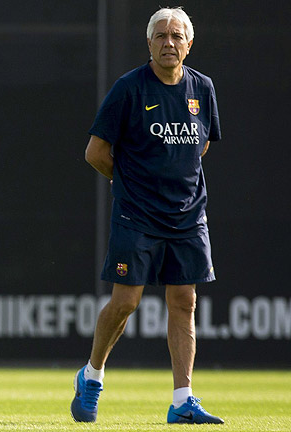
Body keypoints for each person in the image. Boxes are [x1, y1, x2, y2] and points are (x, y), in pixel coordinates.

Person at [71, 7, 223, 425]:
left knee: (184, 301)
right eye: (161, 36)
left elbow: (201, 144)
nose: (168, 43)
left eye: (177, 36)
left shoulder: (202, 88)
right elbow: (95, 152)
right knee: (126, 302)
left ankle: (182, 400)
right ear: (149, 43)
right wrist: (132, 184)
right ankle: (91, 375)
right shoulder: (129, 89)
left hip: (188, 215)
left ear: (189, 44)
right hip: (137, 214)